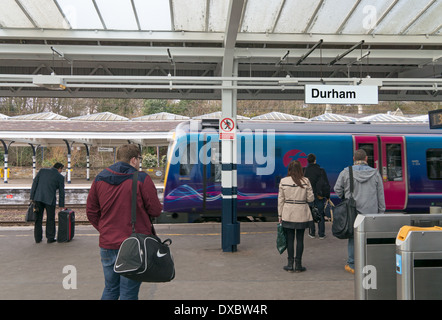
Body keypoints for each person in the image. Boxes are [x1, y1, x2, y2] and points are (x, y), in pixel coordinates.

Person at [87, 144, 162, 300]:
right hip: (134, 245)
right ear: (134, 160)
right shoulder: (141, 179)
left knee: (110, 289)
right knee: (128, 293)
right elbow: (155, 210)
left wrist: (104, 230)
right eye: (139, 159)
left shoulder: (100, 178)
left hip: (108, 244)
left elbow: (91, 212)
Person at [334, 149, 385, 274]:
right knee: (369, 237)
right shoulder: (375, 173)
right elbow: (380, 195)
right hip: (371, 212)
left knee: (353, 236)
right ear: (366, 158)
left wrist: (345, 197)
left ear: (353, 159)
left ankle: (352, 264)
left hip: (353, 211)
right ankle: (368, 262)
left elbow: (337, 189)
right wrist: (381, 212)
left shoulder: (346, 172)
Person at [278, 160, 314, 273]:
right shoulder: (306, 181)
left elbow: (280, 200)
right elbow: (311, 199)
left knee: (289, 239)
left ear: (289, 169)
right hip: (301, 212)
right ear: (300, 169)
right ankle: (298, 264)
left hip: (288, 212)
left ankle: (289, 264)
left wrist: (279, 215)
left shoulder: (283, 181)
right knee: (300, 239)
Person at [30, 162, 65, 243]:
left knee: (38, 219)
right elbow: (61, 192)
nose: (61, 171)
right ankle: (50, 238)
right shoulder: (60, 177)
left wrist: (32, 197)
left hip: (38, 198)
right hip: (50, 200)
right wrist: (61, 205)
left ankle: (38, 238)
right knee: (50, 219)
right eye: (61, 170)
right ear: (59, 168)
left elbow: (34, 183)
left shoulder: (42, 171)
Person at [303, 153, 330, 239]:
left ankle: (312, 233)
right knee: (321, 214)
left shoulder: (305, 171)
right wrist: (327, 196)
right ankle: (321, 234)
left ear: (308, 161)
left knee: (310, 214)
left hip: (309, 196)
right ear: (315, 160)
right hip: (319, 196)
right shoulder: (321, 170)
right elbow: (326, 184)